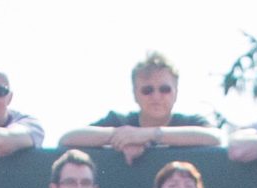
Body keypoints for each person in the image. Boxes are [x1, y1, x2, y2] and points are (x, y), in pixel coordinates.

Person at [62, 52, 222, 159]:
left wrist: (150, 135)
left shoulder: (190, 123)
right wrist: (121, 136)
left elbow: (216, 137)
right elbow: (67, 139)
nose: (156, 96)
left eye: (165, 89)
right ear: (135, 94)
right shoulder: (120, 121)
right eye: (147, 90)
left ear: (176, 92)